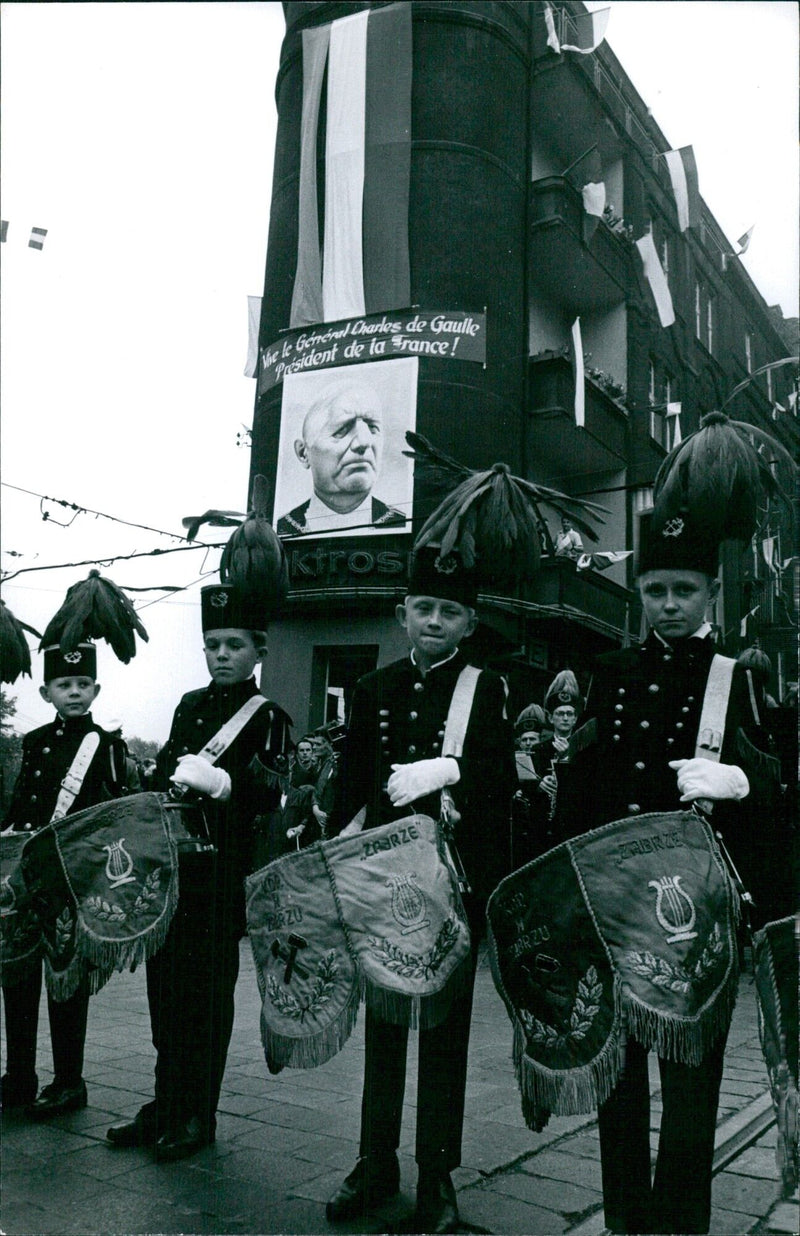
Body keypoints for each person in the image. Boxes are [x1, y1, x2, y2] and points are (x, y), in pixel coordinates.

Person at [554, 502, 781, 1235]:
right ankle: (625, 1220)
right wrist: (564, 893)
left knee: (690, 1089)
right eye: (656, 591)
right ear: (640, 593)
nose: (670, 605)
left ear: (712, 592)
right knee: (618, 1085)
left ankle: (680, 1226)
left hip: (694, 920)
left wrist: (743, 784)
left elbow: (786, 799)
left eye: (685, 590)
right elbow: (578, 793)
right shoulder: (609, 674)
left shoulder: (738, 679)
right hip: (615, 911)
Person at [325, 546, 516, 1233]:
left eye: (451, 611)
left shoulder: (487, 689)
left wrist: (451, 771)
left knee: (443, 1036)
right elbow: (348, 793)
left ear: (470, 621)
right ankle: (375, 1161)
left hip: (451, 891)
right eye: (425, 607)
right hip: (382, 886)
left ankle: (438, 1173)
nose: (435, 620)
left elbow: (504, 793)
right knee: (383, 1030)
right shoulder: (373, 690)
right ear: (403, 612)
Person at [106, 584, 292, 1162]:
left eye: (233, 644)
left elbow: (279, 800)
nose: (221, 655)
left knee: (206, 1000)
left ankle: (198, 1115)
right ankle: (164, 1101)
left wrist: (228, 786)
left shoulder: (270, 718)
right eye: (212, 644)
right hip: (173, 874)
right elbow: (166, 776)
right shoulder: (188, 705)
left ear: (257, 650)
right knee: (165, 994)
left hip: (223, 880)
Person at [1, 640, 129, 1118]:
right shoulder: (33, 741)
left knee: (66, 980)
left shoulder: (106, 744)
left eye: (82, 685)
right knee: (16, 975)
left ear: (94, 689)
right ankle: (19, 1075)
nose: (74, 692)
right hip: (28, 877)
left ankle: (69, 1082)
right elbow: (21, 807)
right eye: (63, 685)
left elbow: (114, 815)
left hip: (73, 879)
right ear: (45, 691)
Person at [277, 381, 406, 536]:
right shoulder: (279, 530)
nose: (364, 442)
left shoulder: (404, 522)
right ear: (303, 453)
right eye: (341, 430)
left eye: (372, 428)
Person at [531, 670, 581, 844]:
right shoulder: (538, 749)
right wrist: (539, 785)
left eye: (570, 714)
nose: (565, 718)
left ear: (575, 719)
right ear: (551, 718)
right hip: (541, 826)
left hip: (573, 824)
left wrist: (568, 758)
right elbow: (525, 784)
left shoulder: (584, 749)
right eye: (560, 714)